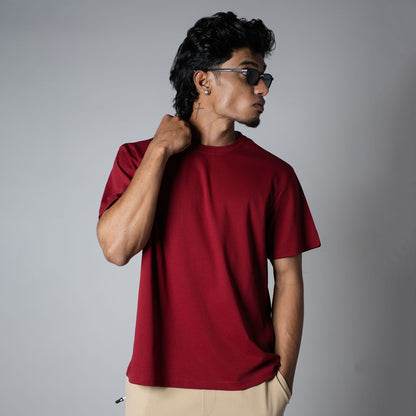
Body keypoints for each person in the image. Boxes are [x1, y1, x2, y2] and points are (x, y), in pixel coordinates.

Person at [97, 11, 321, 416]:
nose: (262, 88)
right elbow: (117, 249)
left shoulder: (276, 175)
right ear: (203, 81)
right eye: (250, 74)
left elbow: (289, 278)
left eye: (265, 77)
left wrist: (282, 383)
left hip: (250, 387)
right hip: (157, 385)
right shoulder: (138, 158)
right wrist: (160, 150)